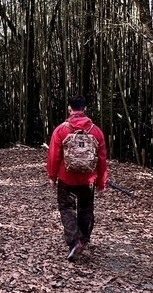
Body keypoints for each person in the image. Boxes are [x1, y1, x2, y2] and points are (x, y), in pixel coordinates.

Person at [46, 95, 108, 261]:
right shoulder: (96, 131)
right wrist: (101, 180)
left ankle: (75, 241)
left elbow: (54, 156)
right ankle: (84, 239)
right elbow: (102, 158)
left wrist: (52, 176)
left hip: (67, 177)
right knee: (86, 208)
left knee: (66, 208)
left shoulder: (61, 130)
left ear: (69, 109)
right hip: (88, 179)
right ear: (85, 109)